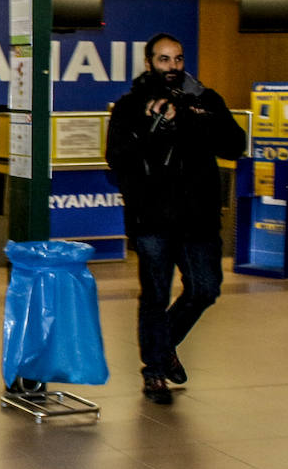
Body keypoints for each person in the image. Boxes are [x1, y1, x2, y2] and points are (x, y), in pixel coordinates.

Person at [105, 32, 245, 405]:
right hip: (151, 218)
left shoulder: (205, 100)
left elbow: (235, 144)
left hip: (198, 217)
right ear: (149, 63)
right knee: (154, 295)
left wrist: (187, 118)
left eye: (178, 59)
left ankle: (161, 345)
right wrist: (152, 128)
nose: (172, 67)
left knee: (205, 289)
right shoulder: (130, 106)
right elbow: (118, 159)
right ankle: (154, 371)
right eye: (164, 60)